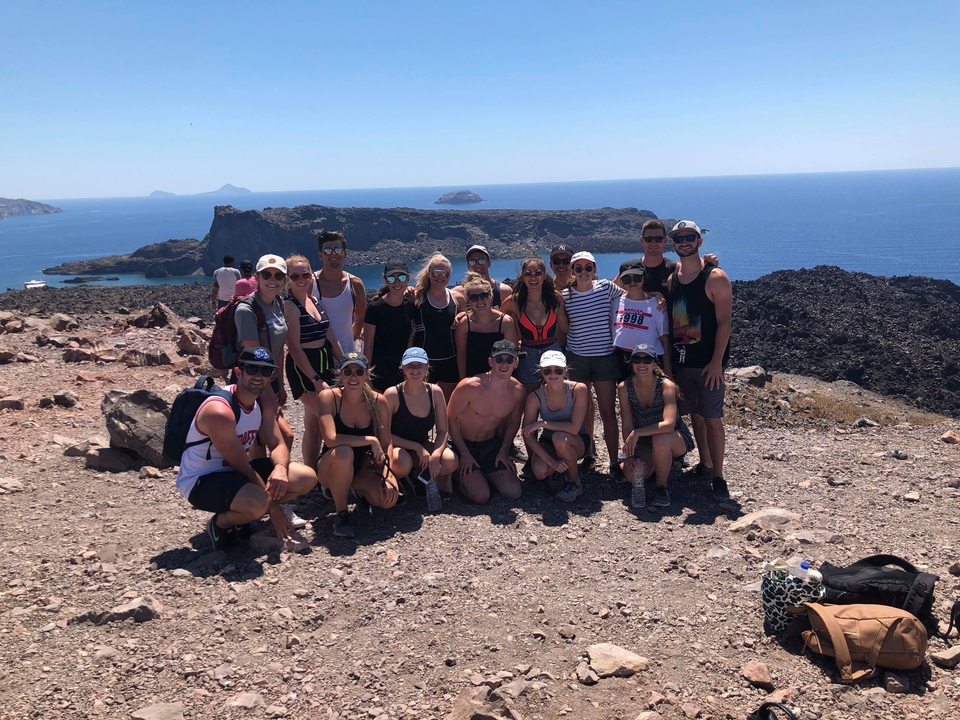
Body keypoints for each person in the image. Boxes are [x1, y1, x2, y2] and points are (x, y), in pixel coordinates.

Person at [174, 347, 318, 550]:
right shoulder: (219, 411)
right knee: (259, 501)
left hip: (234, 472)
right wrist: (273, 508)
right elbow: (242, 465)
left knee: (305, 477)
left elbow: (277, 443)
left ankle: (244, 515)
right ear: (239, 372)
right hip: (202, 479)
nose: (258, 376)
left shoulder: (262, 403)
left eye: (265, 371)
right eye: (252, 369)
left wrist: (279, 468)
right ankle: (220, 524)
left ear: (272, 375)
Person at [666, 220, 733, 501]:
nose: (684, 242)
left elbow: (725, 322)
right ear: (674, 243)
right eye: (679, 238)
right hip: (683, 362)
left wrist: (717, 362)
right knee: (695, 414)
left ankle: (718, 476)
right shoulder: (673, 278)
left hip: (708, 364)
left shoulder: (715, 277)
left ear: (699, 240)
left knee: (713, 418)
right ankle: (704, 465)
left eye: (689, 237)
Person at [235, 254, 299, 524]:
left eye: (278, 276)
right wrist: (270, 397)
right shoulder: (246, 310)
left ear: (285, 280)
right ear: (257, 278)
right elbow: (254, 357)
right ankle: (273, 502)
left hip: (270, 382)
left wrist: (280, 383)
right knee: (284, 436)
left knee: (261, 442)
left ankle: (264, 502)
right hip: (252, 385)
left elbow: (279, 350)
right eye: (267, 275)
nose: (273, 280)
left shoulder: (279, 303)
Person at [317, 352, 399, 539]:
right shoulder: (329, 397)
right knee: (344, 453)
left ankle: (358, 491)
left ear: (366, 375)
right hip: (332, 464)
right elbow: (330, 439)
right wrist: (370, 440)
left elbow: (386, 442)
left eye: (358, 371)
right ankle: (341, 514)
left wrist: (387, 473)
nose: (353, 377)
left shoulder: (378, 401)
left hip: (363, 466)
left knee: (387, 500)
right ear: (340, 373)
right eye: (348, 371)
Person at [561, 251, 625, 477]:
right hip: (577, 357)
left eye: (588, 267)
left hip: (605, 357)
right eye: (578, 268)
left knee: (608, 412)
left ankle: (615, 461)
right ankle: (588, 454)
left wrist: (657, 296)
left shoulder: (607, 288)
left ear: (594, 269)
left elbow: (633, 294)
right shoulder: (565, 296)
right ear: (572, 271)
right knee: (583, 409)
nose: (584, 272)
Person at [447, 340, 527, 504]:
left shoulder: (518, 391)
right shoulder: (469, 386)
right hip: (462, 443)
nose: (504, 364)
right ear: (491, 361)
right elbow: (450, 418)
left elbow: (514, 422)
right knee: (481, 496)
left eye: (509, 360)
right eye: (499, 359)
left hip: (490, 446)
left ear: (516, 363)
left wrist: (504, 449)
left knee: (513, 492)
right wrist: (464, 453)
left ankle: (481, 473)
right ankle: (456, 473)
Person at [283, 254, 343, 470]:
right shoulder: (289, 305)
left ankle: (312, 472)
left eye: (305, 274)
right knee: (331, 419)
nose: (301, 279)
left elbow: (331, 336)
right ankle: (331, 470)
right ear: (288, 278)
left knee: (313, 424)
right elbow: (295, 348)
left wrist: (345, 364)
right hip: (305, 368)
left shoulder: (315, 301)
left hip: (324, 362)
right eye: (295, 275)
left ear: (311, 274)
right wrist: (315, 379)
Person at [618, 343, 695, 508]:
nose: (642, 364)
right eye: (637, 359)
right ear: (631, 363)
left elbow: (668, 425)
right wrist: (630, 455)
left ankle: (661, 487)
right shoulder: (624, 387)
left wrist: (637, 433)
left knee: (660, 440)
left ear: (654, 363)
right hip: (645, 441)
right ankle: (658, 463)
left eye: (647, 359)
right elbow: (627, 425)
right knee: (633, 475)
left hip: (673, 437)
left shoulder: (666, 385)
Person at [385, 347, 459, 495]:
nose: (415, 369)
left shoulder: (435, 392)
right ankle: (400, 480)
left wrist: (437, 454)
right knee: (402, 461)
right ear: (403, 368)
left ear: (427, 367)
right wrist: (416, 447)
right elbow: (384, 434)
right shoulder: (393, 394)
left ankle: (417, 476)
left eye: (419, 365)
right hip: (397, 447)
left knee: (450, 461)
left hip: (423, 446)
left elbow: (443, 431)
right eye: (410, 365)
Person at [521, 350, 589, 502]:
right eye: (547, 370)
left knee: (560, 439)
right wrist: (552, 462)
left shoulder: (578, 389)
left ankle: (574, 482)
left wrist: (543, 423)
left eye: (558, 370)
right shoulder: (535, 396)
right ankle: (561, 469)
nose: (553, 374)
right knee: (539, 471)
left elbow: (574, 428)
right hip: (549, 441)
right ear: (541, 372)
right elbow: (527, 433)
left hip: (576, 440)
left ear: (565, 371)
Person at [500, 256, 567, 393]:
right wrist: (465, 315)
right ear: (522, 277)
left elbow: (565, 328)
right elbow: (495, 319)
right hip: (526, 355)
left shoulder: (556, 298)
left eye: (537, 273)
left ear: (544, 275)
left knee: (558, 397)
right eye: (528, 274)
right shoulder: (514, 301)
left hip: (554, 353)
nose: (533, 278)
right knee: (529, 399)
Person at [412, 254, 466, 400]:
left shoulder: (457, 298)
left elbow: (470, 319)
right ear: (429, 274)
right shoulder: (417, 297)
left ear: (449, 276)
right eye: (435, 273)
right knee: (423, 406)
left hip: (450, 360)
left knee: (447, 406)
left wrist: (463, 315)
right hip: (423, 361)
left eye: (444, 274)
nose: (440, 277)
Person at [613, 259, 671, 379]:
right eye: (627, 279)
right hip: (621, 358)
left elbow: (664, 339)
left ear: (644, 277)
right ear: (621, 282)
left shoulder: (657, 303)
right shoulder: (615, 301)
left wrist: (668, 371)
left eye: (637, 277)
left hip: (649, 358)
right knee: (626, 395)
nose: (632, 282)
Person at [454, 273, 519, 379]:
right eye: (474, 297)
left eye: (484, 296)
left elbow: (511, 354)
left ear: (491, 296)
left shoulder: (505, 322)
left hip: (500, 378)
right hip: (474, 379)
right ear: (469, 300)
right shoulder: (464, 324)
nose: (480, 301)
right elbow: (461, 354)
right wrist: (463, 380)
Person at [363, 260, 415, 392]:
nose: (397, 283)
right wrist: (366, 374)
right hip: (378, 371)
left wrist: (408, 365)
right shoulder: (374, 308)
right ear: (386, 280)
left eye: (401, 278)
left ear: (408, 279)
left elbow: (409, 338)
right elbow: (368, 344)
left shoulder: (410, 305)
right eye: (391, 278)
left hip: (401, 369)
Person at [311, 230, 366, 353]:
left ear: (345, 253)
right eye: (327, 251)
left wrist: (347, 341)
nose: (333, 254)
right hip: (319, 354)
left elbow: (360, 318)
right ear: (321, 255)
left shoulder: (355, 284)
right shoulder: (311, 283)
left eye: (338, 249)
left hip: (347, 354)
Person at [464, 245, 512, 309]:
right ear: (468, 266)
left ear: (489, 263)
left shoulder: (504, 292)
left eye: (481, 260)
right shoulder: (462, 294)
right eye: (472, 262)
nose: (477, 265)